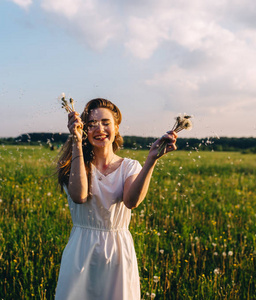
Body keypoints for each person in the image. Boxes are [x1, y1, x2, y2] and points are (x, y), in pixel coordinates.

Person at [55, 98, 177, 300]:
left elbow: (131, 202)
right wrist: (76, 142)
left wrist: (151, 160)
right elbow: (79, 196)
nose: (99, 129)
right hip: (81, 252)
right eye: (92, 124)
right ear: (84, 130)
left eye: (105, 122)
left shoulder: (130, 167)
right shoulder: (74, 165)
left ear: (116, 127)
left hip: (118, 252)